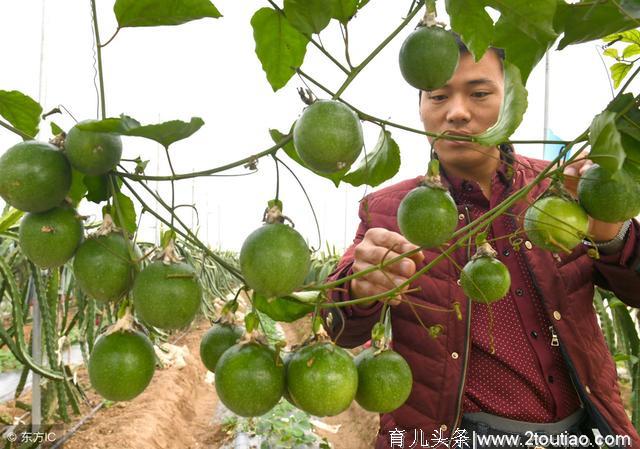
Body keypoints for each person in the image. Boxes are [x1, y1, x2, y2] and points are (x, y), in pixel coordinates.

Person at [321, 36, 640, 449]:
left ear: (509, 101)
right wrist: (358, 288)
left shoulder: (561, 189)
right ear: (419, 108)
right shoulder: (389, 211)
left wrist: (612, 235)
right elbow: (338, 326)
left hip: (582, 431)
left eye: (479, 93)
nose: (457, 112)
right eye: (438, 96)